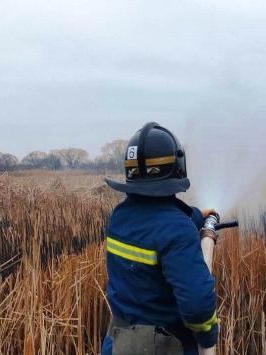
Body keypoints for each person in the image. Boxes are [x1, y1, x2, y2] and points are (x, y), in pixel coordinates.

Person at [102, 122, 218, 355]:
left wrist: (195, 216)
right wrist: (207, 338)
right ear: (177, 167)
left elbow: (155, 225)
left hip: (119, 343)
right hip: (164, 347)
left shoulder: (119, 217)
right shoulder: (177, 230)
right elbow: (197, 308)